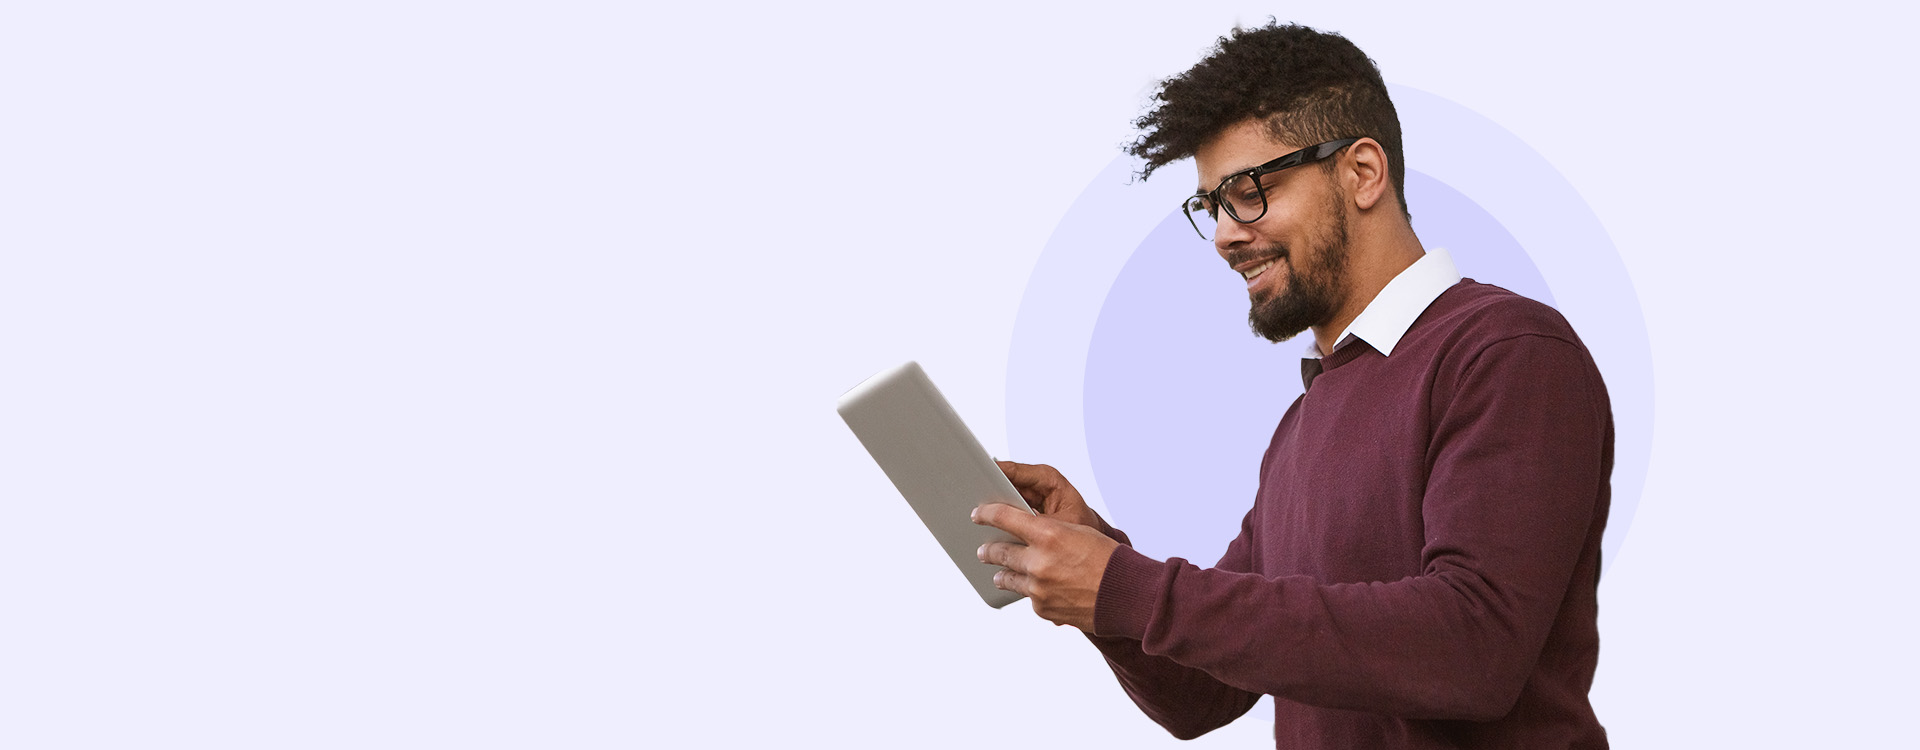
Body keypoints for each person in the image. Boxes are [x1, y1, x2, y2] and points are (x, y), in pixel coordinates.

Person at [971, 22, 1613, 749]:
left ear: (1362, 172)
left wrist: (1130, 588)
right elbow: (1204, 694)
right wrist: (1099, 565)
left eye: (1249, 190)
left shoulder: (1505, 352)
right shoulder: (1303, 425)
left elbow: (1473, 651)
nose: (1223, 233)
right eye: (1211, 204)